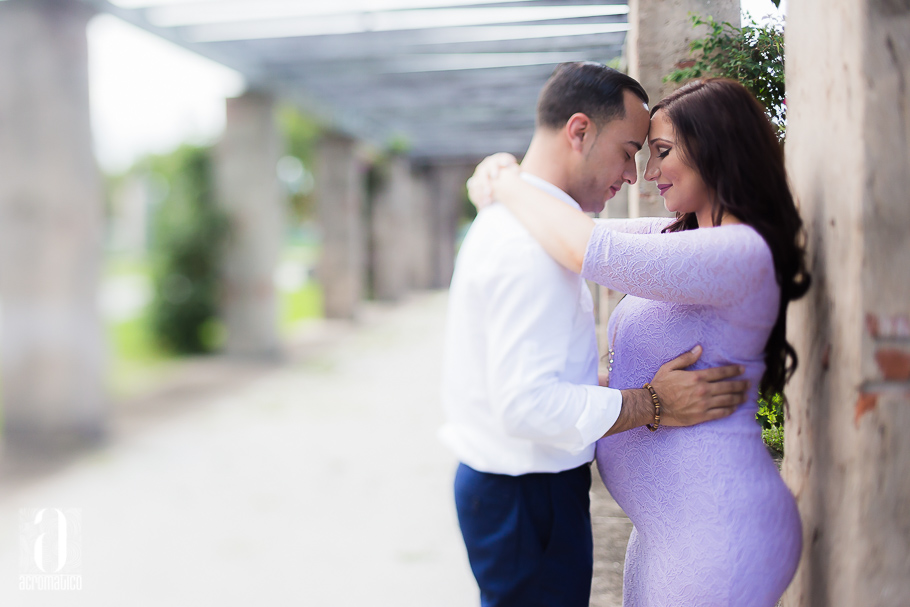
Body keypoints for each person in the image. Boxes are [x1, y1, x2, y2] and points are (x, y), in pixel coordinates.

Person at [467, 77, 810, 606]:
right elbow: (568, 228)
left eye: (662, 153)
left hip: (719, 531)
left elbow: (585, 248)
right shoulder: (684, 238)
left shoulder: (739, 252)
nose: (647, 174)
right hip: (668, 530)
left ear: (717, 148)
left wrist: (508, 182)